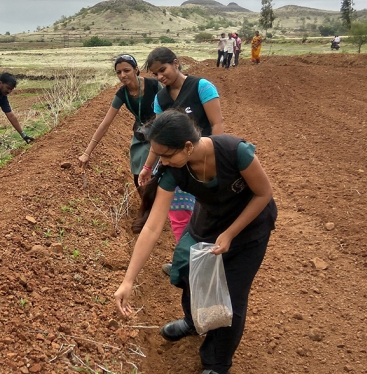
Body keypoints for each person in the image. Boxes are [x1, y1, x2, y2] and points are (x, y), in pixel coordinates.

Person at [114, 110, 277, 374]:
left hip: (250, 227)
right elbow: (153, 227)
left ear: (188, 146)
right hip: (209, 222)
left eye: (167, 155)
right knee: (188, 272)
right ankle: (193, 321)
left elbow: (263, 194)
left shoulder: (236, 152)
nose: (163, 162)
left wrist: (231, 233)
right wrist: (128, 280)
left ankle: (216, 363)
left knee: (231, 299)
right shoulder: (173, 171)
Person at [137, 47, 224, 275]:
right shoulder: (160, 98)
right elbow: (158, 138)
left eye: (163, 70)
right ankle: (187, 261)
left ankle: (209, 260)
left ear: (176, 63)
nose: (160, 77)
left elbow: (216, 124)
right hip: (176, 165)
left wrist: (215, 157)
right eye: (155, 74)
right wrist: (148, 167)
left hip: (202, 162)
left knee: (204, 212)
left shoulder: (201, 87)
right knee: (178, 214)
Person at [78, 54, 163, 188]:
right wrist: (86, 153)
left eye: (126, 70)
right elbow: (105, 123)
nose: (122, 75)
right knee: (138, 179)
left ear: (136, 69)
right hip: (141, 134)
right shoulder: (122, 94)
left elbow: (169, 108)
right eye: (119, 72)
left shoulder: (154, 85)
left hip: (161, 131)